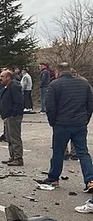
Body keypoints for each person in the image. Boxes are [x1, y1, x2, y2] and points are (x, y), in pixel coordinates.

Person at [39, 62, 93, 192]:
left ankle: (53, 178)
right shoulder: (84, 83)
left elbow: (50, 106)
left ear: (57, 72)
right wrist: (85, 119)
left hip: (61, 124)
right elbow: (90, 104)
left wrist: (53, 122)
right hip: (79, 124)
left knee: (58, 152)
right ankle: (90, 180)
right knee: (83, 153)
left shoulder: (55, 84)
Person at [0, 71, 25, 166]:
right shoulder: (6, 87)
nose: (0, 78)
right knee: (9, 137)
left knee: (14, 137)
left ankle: (18, 158)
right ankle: (13, 156)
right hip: (7, 115)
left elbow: (18, 101)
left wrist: (13, 113)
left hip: (13, 116)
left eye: (2, 76)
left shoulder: (14, 86)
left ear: (8, 77)